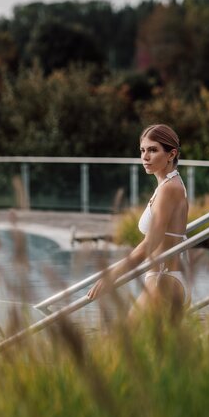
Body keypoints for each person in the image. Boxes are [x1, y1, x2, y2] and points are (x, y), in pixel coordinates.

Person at [87, 124, 190, 319]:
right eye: (142, 150)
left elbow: (152, 242)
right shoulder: (167, 184)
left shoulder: (169, 189)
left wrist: (114, 273)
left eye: (153, 150)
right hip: (162, 278)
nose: (145, 156)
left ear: (171, 154)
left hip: (163, 280)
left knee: (123, 346)